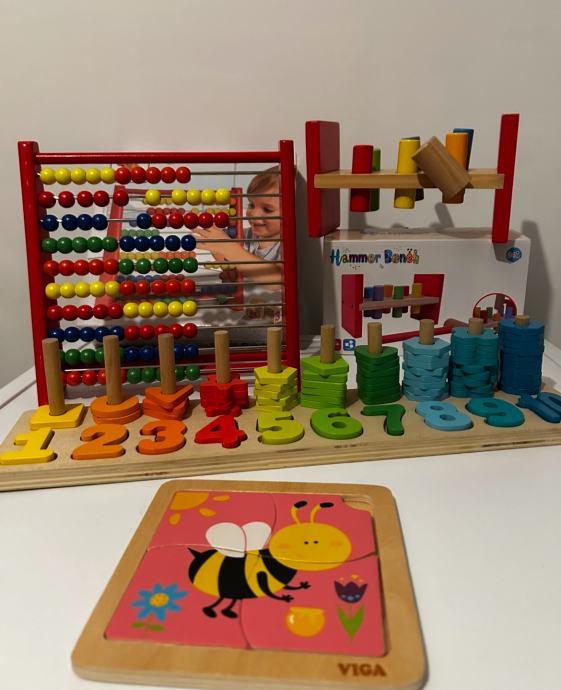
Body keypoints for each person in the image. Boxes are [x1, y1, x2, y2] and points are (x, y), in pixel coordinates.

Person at [194, 166, 283, 288]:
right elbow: (227, 261)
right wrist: (217, 248)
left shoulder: (287, 246)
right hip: (249, 298)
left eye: (267, 209)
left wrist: (228, 247)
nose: (254, 214)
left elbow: (277, 281)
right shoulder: (244, 235)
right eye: (251, 205)